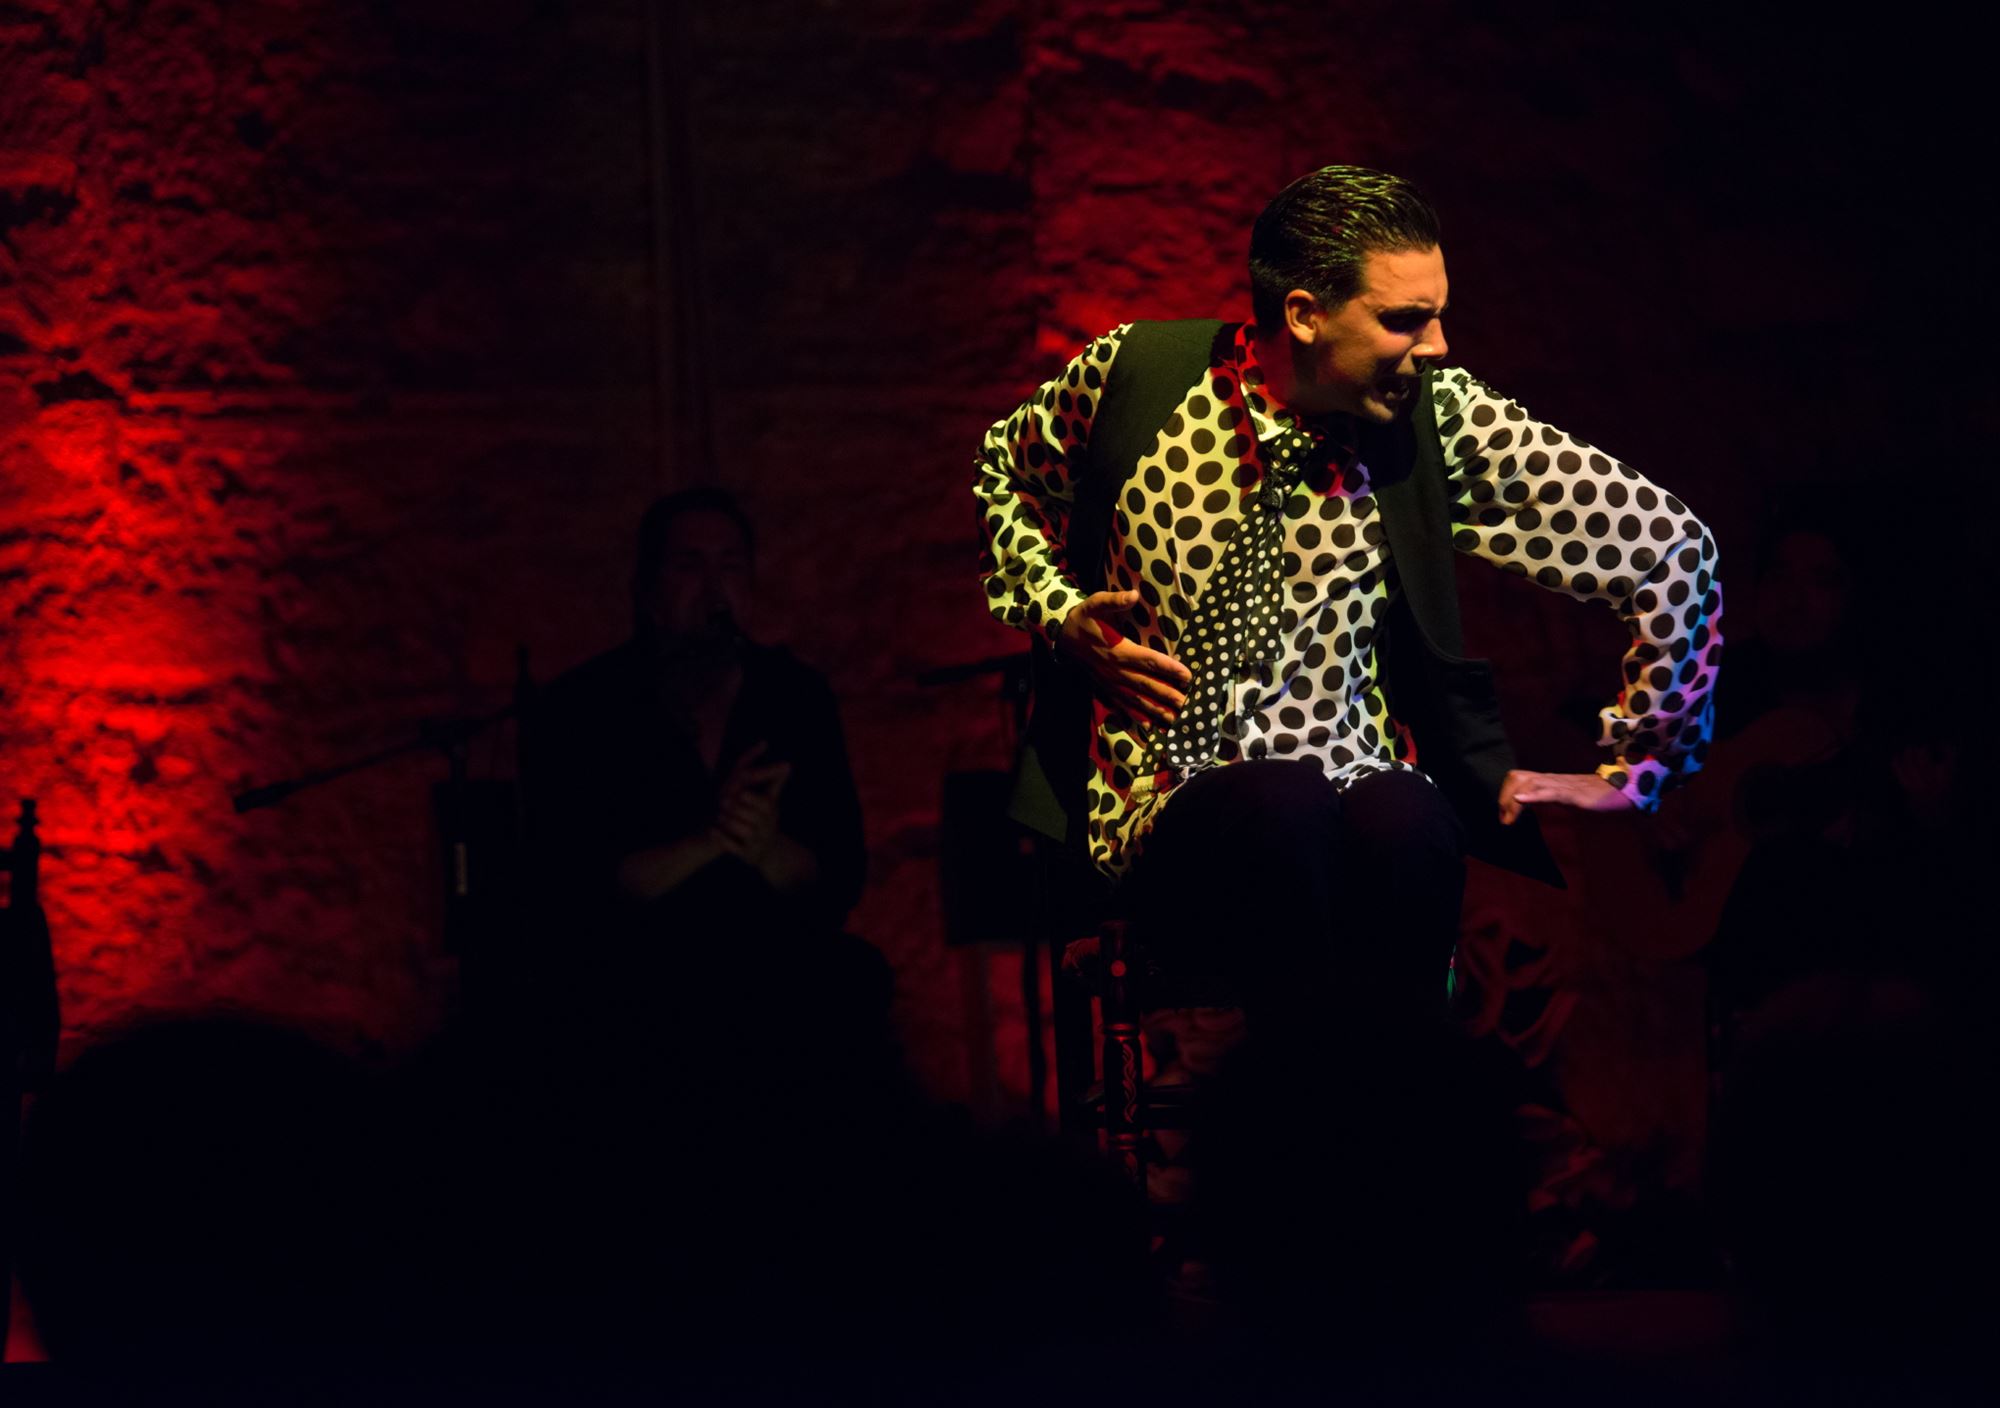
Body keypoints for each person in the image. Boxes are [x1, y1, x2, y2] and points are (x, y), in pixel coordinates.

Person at [973, 165, 1723, 1030]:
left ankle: (1385, 1093)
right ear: (1305, 314)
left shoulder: (1439, 419)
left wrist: (1643, 766)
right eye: (1405, 320)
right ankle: (1309, 1092)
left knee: (1410, 819)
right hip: (1165, 800)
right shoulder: (1138, 375)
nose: (1438, 346)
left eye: (1437, 314)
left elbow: (1673, 549)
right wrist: (1059, 614)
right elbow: (1005, 473)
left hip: (1358, 778)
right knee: (1279, 805)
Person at [523, 487, 876, 1070]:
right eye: (689, 566)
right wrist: (711, 840)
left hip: (778, 981)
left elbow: (840, 874)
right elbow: (571, 887)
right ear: (648, 589)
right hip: (631, 990)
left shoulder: (794, 697)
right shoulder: (585, 707)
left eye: (730, 566)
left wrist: (766, 849)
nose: (714, 589)